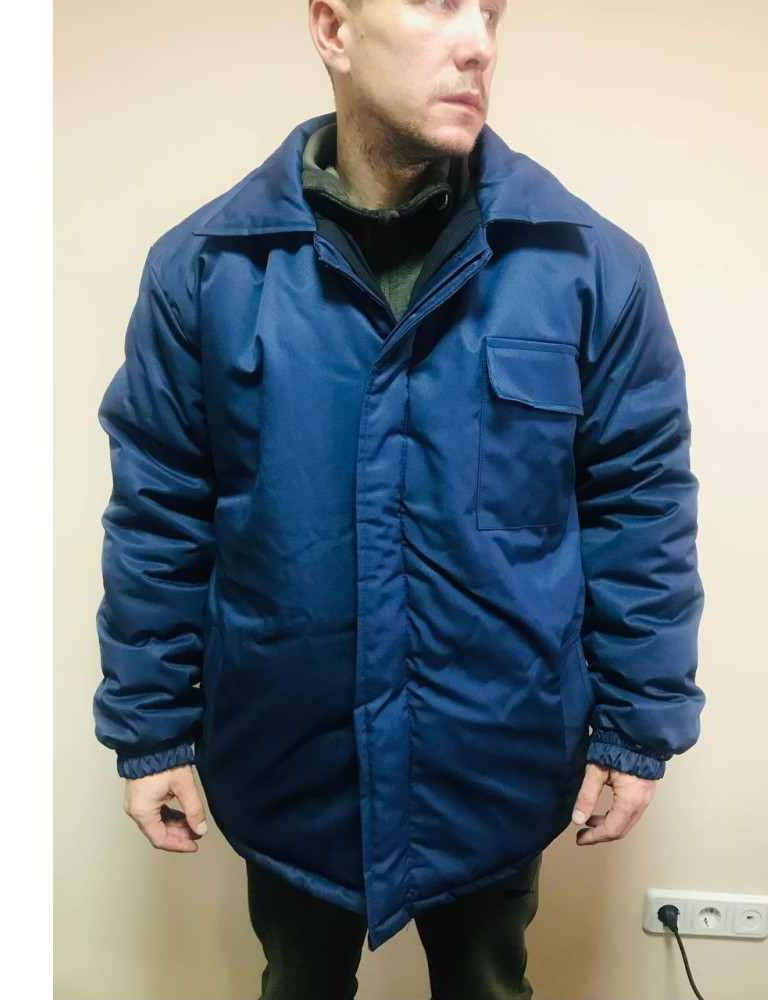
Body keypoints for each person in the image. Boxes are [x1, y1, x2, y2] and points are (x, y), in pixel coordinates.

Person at [92, 1, 706, 996]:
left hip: (497, 756)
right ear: (334, 30)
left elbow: (639, 505)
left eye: (491, 13)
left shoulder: (586, 265)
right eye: (437, 5)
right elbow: (160, 510)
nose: (478, 43)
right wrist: (151, 725)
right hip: (290, 760)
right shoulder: (207, 269)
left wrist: (639, 723)